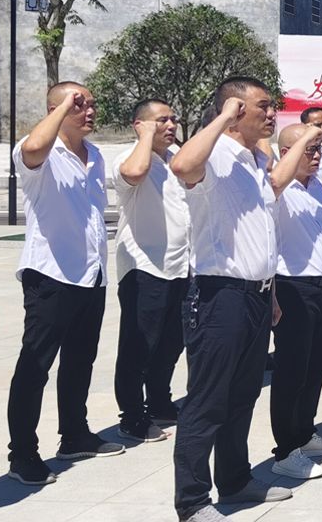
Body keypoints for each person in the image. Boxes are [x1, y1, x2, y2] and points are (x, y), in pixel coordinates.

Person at [169, 77, 320, 521]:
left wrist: (268, 290)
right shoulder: (214, 152)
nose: (272, 114)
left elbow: (267, 208)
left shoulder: (254, 161)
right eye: (263, 106)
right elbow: (181, 165)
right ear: (234, 111)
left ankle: (234, 481)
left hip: (255, 295)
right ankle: (192, 501)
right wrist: (222, 118)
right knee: (208, 399)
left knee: (242, 395)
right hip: (219, 297)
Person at [7, 82, 123, 487]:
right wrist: (61, 109)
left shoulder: (95, 155)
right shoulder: (38, 151)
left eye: (91, 104)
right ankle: (22, 453)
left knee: (79, 360)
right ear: (53, 110)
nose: (88, 110)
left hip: (91, 273)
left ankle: (74, 434)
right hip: (51, 275)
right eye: (78, 104)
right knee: (35, 366)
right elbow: (34, 147)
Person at [269, 124, 322, 481]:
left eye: (318, 150)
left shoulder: (316, 186)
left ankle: (304, 433)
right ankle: (285, 450)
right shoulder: (279, 187)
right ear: (287, 152)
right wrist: (273, 294)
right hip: (292, 286)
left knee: (316, 366)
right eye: (309, 150)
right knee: (291, 371)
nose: (317, 156)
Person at [112, 99, 189, 443]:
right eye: (161, 121)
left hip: (180, 265)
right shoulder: (128, 159)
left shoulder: (177, 159)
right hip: (144, 267)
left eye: (173, 119)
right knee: (138, 346)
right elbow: (134, 174)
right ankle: (131, 416)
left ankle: (159, 401)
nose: (171, 125)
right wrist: (145, 137)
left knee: (171, 343)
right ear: (140, 125)